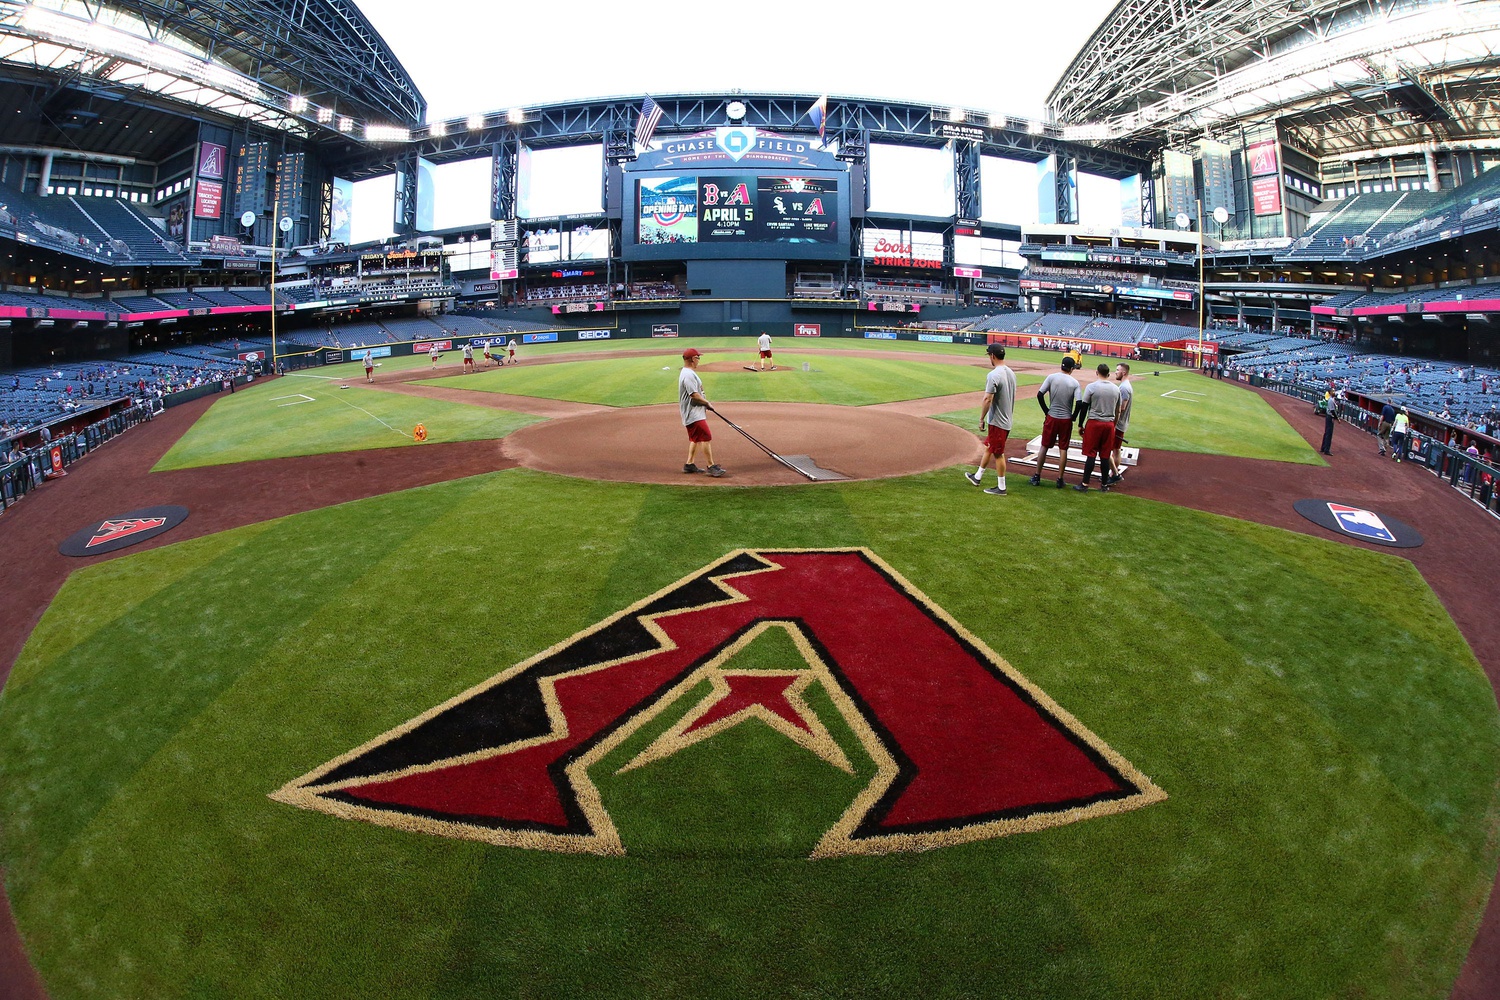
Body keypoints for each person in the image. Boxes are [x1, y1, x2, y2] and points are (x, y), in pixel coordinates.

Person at [965, 343, 1016, 496]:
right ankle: (977, 477)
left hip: (998, 421)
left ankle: (1001, 487)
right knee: (990, 447)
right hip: (1006, 419)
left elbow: (988, 399)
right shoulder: (1011, 373)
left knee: (998, 453)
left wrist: (981, 418)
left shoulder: (993, 375)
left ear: (992, 356)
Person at [1031, 356, 1081, 488]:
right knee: (1063, 448)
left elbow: (1040, 394)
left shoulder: (1051, 377)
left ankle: (1037, 476)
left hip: (1052, 417)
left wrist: (1046, 411)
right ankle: (1059, 479)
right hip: (1065, 419)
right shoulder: (1074, 383)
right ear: (1071, 369)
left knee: (1044, 446)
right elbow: (1079, 402)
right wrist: (1074, 416)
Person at [1073, 363, 1121, 492]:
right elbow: (1118, 411)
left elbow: (1084, 407)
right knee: (1105, 455)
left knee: (1091, 454)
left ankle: (1085, 484)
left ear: (1096, 372)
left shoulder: (1092, 387)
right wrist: (1113, 424)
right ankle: (1104, 485)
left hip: (1094, 423)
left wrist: (1080, 424)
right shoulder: (1116, 389)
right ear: (1108, 374)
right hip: (1109, 424)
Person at [679, 348, 725, 477]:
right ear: (692, 359)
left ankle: (689, 464)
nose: (699, 360)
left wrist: (705, 404)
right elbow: (693, 395)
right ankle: (711, 466)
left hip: (695, 411)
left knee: (696, 439)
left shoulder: (688, 372)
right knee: (706, 436)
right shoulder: (688, 374)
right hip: (693, 412)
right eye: (698, 357)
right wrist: (707, 403)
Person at [1108, 362, 1133, 484]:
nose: (1115, 372)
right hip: (1121, 423)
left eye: (1117, 370)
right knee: (1115, 449)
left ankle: (1114, 474)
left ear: (1124, 372)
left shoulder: (1124, 387)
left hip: (1119, 423)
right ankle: (1113, 472)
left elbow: (1122, 407)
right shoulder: (1125, 386)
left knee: (1115, 449)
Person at [1319, 390, 1336, 456]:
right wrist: (1336, 418)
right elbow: (1332, 411)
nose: (1334, 393)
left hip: (1328, 416)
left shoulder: (1331, 399)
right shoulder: (1331, 400)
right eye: (1333, 392)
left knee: (1326, 433)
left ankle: (1323, 448)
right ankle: (1326, 450)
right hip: (1330, 417)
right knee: (1329, 434)